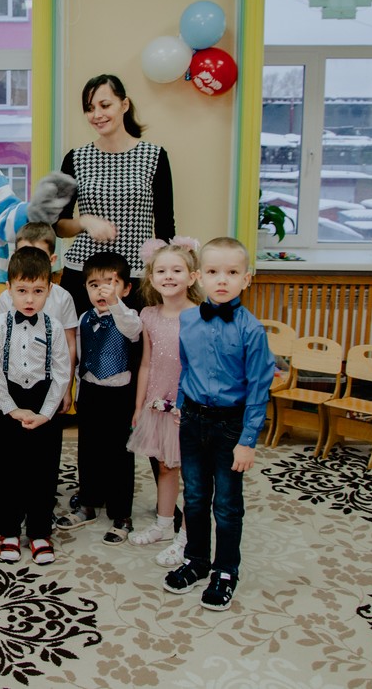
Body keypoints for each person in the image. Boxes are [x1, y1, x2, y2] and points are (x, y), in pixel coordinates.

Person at [163, 237, 275, 612]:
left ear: (247, 278)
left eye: (232, 272)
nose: (222, 280)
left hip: (231, 425)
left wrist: (248, 440)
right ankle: (196, 560)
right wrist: (182, 404)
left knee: (226, 504)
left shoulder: (252, 330)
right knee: (195, 497)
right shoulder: (188, 320)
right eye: (213, 272)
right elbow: (186, 367)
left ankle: (225, 570)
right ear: (199, 276)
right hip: (193, 421)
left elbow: (259, 388)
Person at [54, 74, 175, 314]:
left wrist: (167, 273)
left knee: (136, 338)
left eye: (105, 105)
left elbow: (165, 226)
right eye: (90, 108)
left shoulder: (154, 156)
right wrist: (85, 221)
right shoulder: (75, 159)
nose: (97, 114)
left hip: (136, 277)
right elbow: (58, 225)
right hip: (84, 275)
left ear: (124, 104)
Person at [0, 247, 71, 565]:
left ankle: (39, 532)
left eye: (38, 291)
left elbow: (61, 372)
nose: (29, 299)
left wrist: (46, 413)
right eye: (22, 291)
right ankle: (8, 530)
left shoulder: (54, 327)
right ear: (9, 289)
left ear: (49, 289)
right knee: (8, 470)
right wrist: (10, 408)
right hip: (10, 404)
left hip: (44, 403)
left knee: (43, 471)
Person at [55, 251, 142, 544]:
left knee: (120, 454)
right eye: (94, 285)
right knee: (89, 450)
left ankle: (121, 513)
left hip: (119, 395)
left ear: (126, 289)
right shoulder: (83, 318)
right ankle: (88, 503)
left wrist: (115, 304)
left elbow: (132, 329)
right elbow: (79, 357)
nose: (102, 291)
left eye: (111, 284)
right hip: (90, 392)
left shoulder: (130, 317)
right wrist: (73, 391)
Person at [126, 237, 203, 568]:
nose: (168, 276)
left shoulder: (200, 315)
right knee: (164, 466)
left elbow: (202, 367)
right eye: (161, 271)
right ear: (151, 277)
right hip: (157, 401)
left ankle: (187, 537)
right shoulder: (148, 314)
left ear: (192, 276)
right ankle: (163, 522)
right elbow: (146, 363)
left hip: (187, 407)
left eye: (176, 270)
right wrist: (139, 405)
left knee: (192, 473)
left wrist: (192, 404)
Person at [0, 222, 79, 413]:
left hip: (50, 385)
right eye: (24, 253)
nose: (30, 262)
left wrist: (66, 389)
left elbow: (70, 345)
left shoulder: (63, 298)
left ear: (52, 259)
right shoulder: (5, 298)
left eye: (39, 255)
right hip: (11, 384)